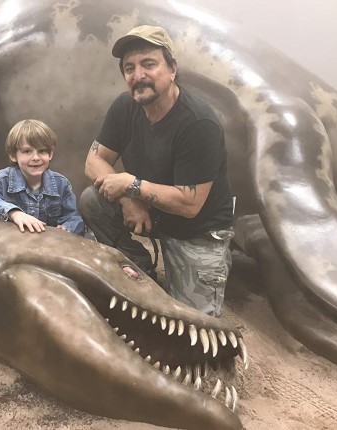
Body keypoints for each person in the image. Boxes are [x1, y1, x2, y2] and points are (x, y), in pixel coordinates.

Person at [79, 25, 235, 317]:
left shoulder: (199, 123)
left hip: (197, 230)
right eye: (129, 68)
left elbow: (189, 205)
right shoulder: (124, 106)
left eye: (148, 64)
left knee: (193, 325)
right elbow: (93, 161)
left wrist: (132, 185)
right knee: (92, 199)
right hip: (153, 213)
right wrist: (128, 198)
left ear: (172, 69)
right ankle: (139, 266)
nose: (138, 75)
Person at [0, 119, 85, 235]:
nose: (35, 158)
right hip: (12, 242)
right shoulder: (2, 181)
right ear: (13, 155)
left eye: (42, 151)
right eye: (27, 151)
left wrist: (66, 229)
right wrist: (14, 213)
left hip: (48, 244)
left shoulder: (62, 184)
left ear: (50, 154)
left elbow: (73, 218)